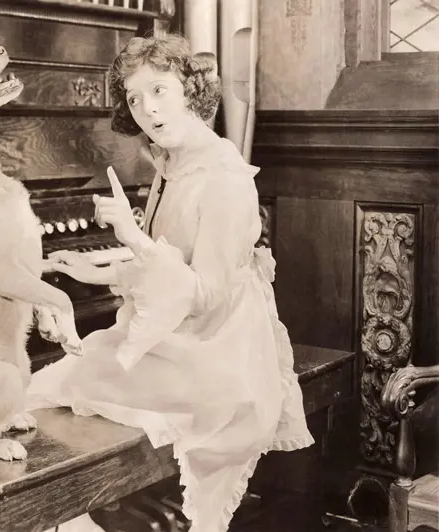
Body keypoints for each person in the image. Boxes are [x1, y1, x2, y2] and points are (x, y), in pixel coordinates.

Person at [29, 34, 314, 532]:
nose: (147, 110)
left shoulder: (225, 175)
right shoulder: (169, 162)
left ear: (190, 89)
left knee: (55, 389)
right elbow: (162, 271)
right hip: (173, 334)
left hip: (217, 349)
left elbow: (203, 294)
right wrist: (93, 270)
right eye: (135, 98)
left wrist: (130, 236)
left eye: (159, 90)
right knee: (39, 391)